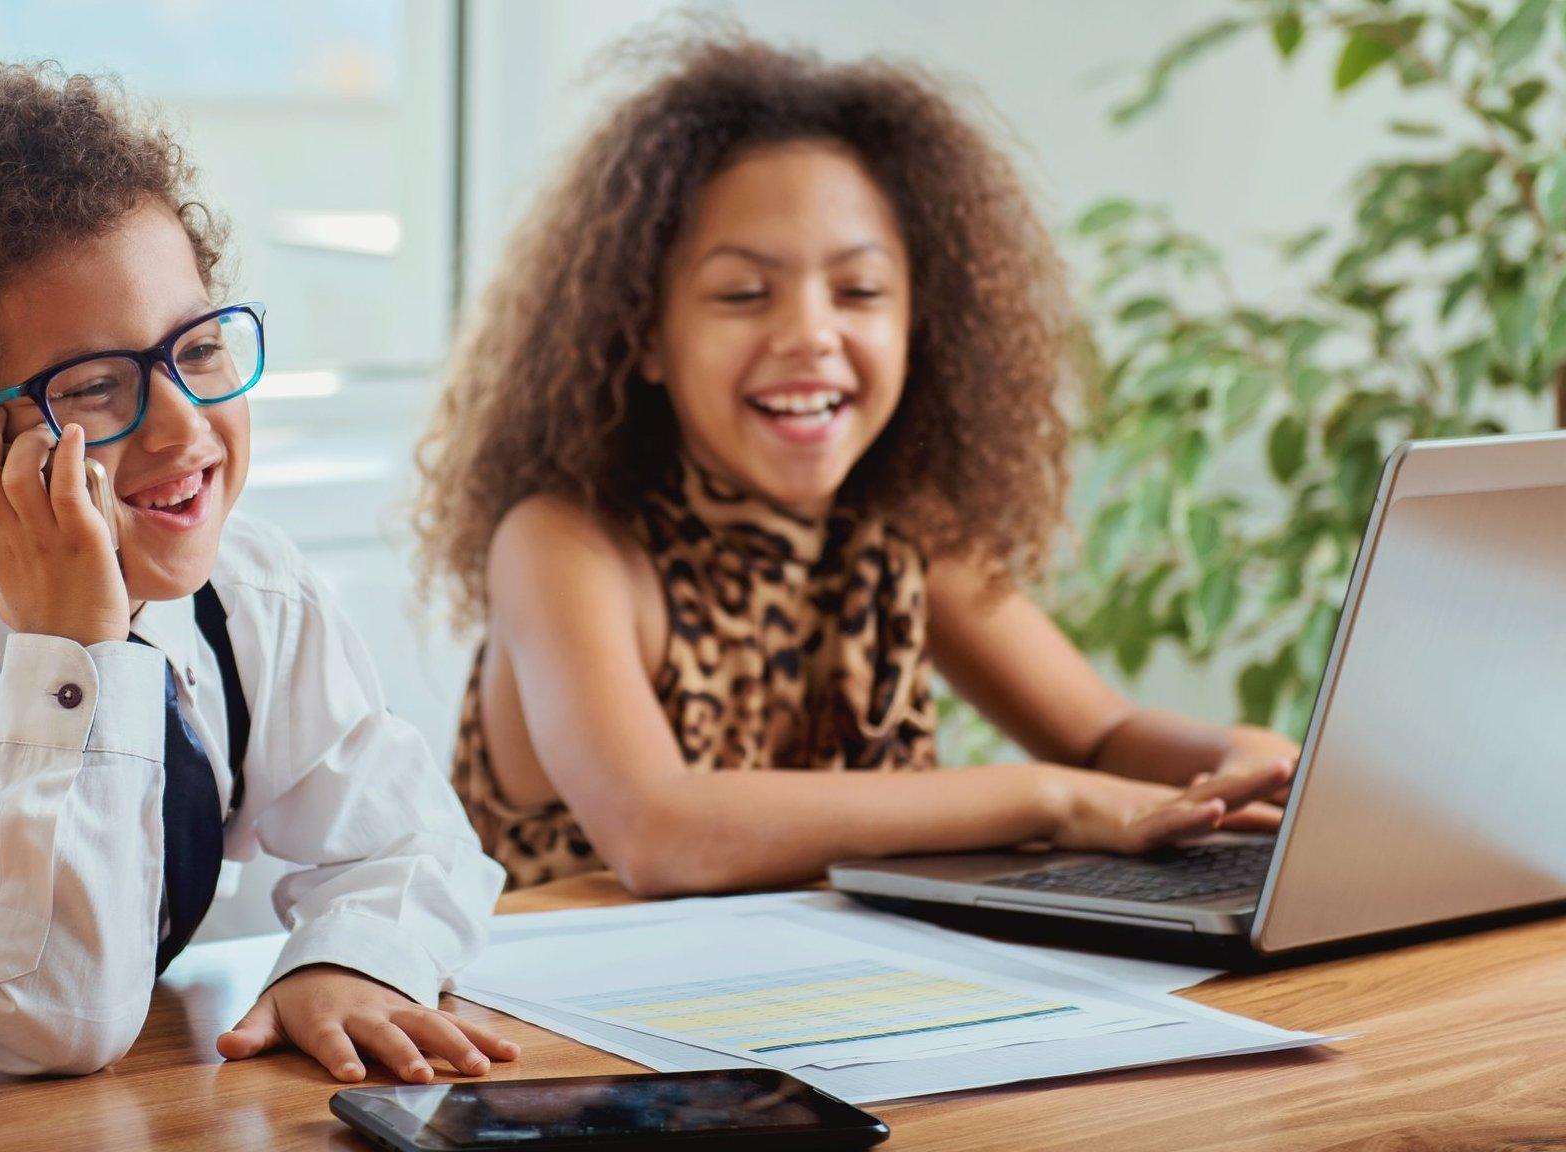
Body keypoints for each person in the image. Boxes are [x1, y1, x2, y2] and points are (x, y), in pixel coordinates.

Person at [0, 61, 518, 1082]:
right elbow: (51, 1016)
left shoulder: (248, 595)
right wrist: (74, 649)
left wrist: (352, 960)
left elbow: (411, 844)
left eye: (200, 348)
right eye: (92, 387)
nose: (181, 426)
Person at [413, 31, 1298, 896]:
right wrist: (1048, 797)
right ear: (642, 334)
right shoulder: (564, 546)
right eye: (743, 294)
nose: (809, 334)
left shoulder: (903, 530)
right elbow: (659, 833)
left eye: (860, 291)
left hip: (836, 1017)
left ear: (921, 325)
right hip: (565, 1034)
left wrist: (1236, 760)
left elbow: (1102, 737)